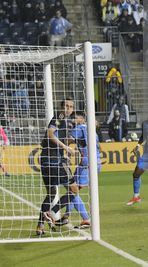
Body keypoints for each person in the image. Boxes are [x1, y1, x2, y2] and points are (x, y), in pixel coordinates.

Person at [37, 99, 77, 234]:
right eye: (66, 106)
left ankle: (40, 227)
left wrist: (62, 154)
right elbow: (50, 133)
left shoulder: (64, 122)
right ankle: (52, 213)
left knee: (51, 194)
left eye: (71, 107)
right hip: (54, 163)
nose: (68, 109)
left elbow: (44, 141)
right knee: (74, 190)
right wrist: (65, 148)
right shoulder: (58, 119)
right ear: (61, 107)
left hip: (45, 161)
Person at [63, 111, 102, 229]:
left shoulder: (79, 128)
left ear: (82, 119)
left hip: (86, 165)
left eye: (75, 118)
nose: (73, 121)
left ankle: (86, 219)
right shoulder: (91, 129)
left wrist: (56, 143)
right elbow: (100, 147)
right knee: (73, 190)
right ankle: (66, 216)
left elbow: (67, 140)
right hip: (97, 162)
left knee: (72, 190)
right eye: (72, 119)